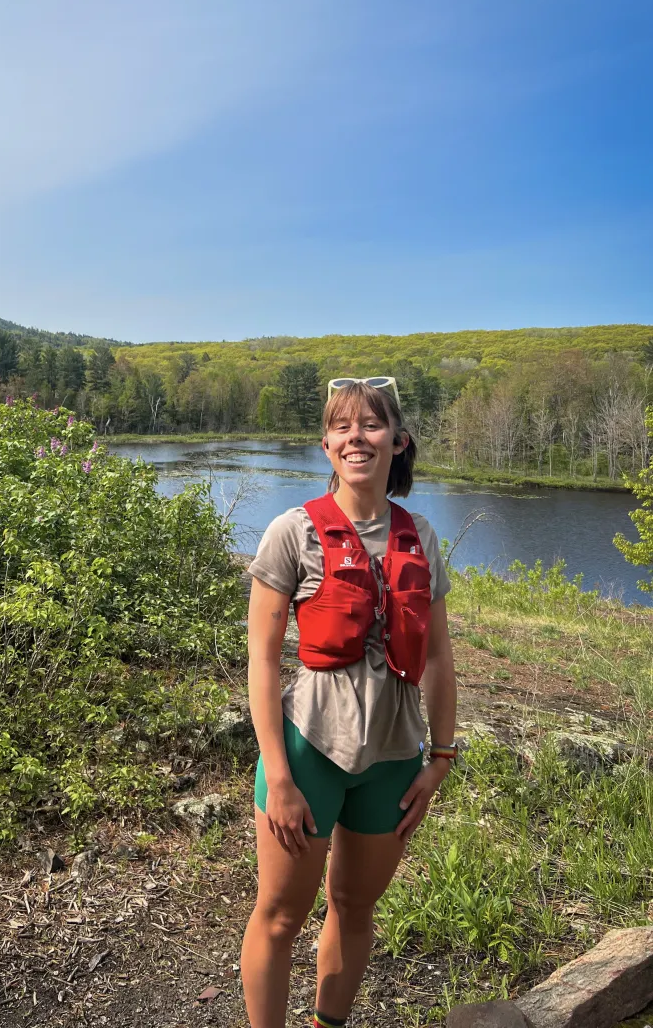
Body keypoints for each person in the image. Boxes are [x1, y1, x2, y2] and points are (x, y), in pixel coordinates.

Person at [240, 377, 458, 1028]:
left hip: (394, 756)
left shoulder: (420, 535)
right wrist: (278, 775)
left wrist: (441, 755)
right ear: (326, 445)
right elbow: (259, 658)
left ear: (398, 440)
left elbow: (441, 658)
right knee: (279, 915)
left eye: (370, 424)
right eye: (342, 426)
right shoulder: (292, 532)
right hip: (309, 749)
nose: (356, 436)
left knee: (356, 907)